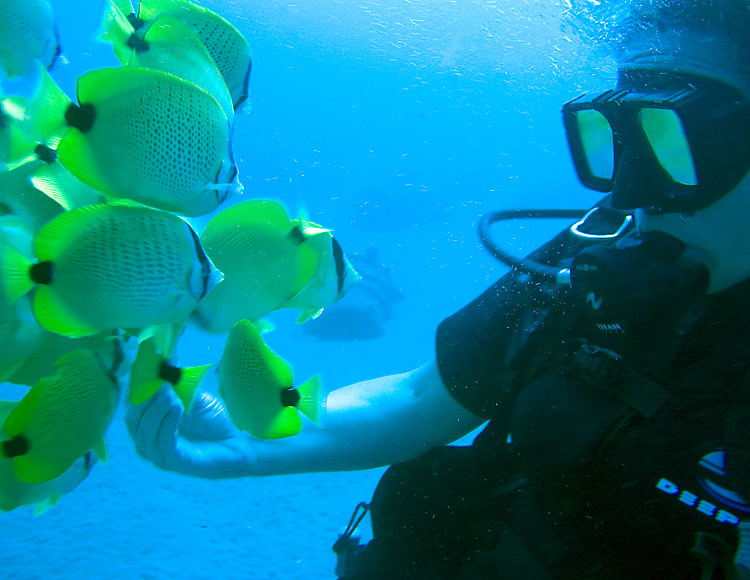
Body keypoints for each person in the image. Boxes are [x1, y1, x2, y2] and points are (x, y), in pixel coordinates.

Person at [127, 1, 750, 578]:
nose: (636, 194)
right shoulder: (597, 248)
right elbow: (422, 398)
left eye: (677, 142)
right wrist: (246, 442)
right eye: (619, 142)